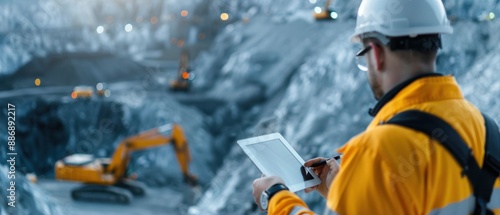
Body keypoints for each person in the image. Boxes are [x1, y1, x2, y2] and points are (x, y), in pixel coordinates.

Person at [252, 0, 500, 214]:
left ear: (377, 53)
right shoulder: (485, 128)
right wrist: (348, 191)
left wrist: (275, 197)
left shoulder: (378, 154)